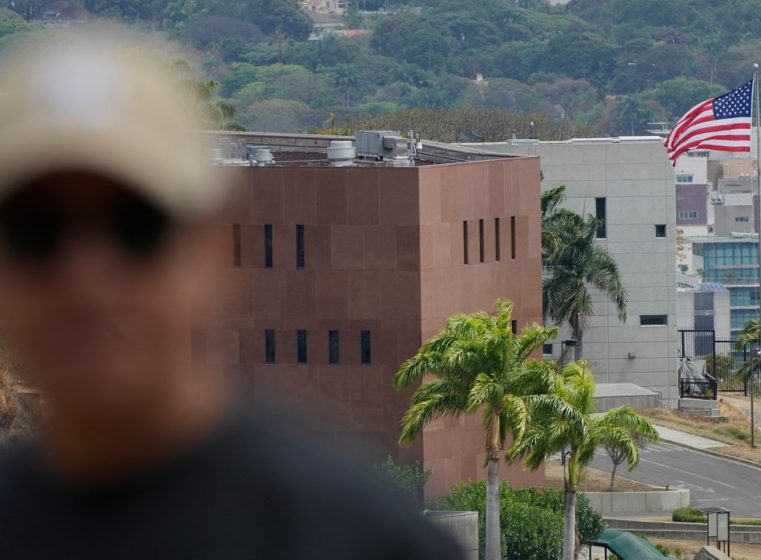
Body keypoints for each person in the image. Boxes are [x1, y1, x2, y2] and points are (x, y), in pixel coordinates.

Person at [0, 42, 462, 560]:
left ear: (212, 254)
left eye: (137, 229)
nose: (87, 277)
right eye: (37, 233)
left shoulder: (364, 542)